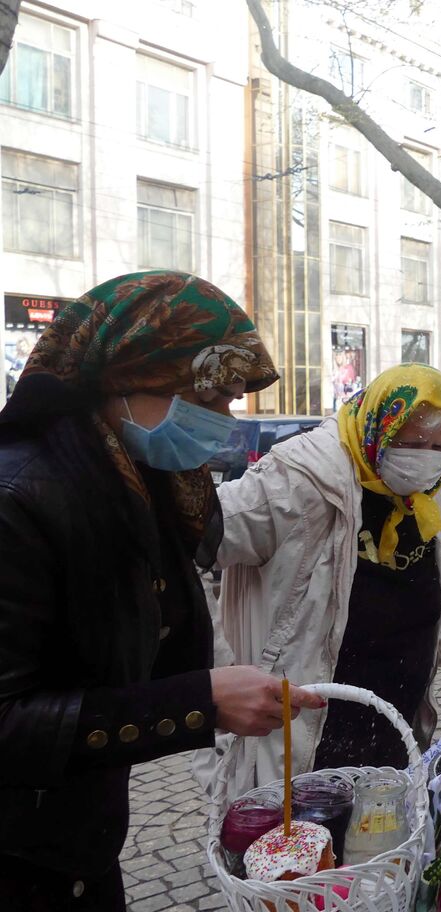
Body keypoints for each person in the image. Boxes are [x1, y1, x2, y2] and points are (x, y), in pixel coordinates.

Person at [0, 272, 324, 910]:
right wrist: (197, 701)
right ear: (126, 380)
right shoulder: (20, 499)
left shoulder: (137, 484)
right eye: (211, 396)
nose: (224, 422)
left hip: (75, 843)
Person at [202, 364, 441, 797]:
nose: (423, 456)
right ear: (379, 427)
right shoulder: (299, 479)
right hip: (302, 741)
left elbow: (429, 573)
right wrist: (223, 674)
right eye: (411, 442)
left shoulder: (427, 490)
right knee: (304, 859)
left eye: (438, 447)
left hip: (391, 726)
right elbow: (185, 546)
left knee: (376, 854)